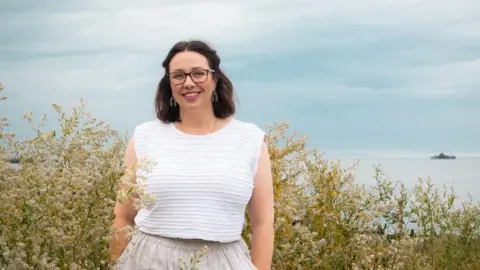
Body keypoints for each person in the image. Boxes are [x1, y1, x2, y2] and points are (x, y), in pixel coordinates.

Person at [110, 40, 274, 270]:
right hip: (149, 260)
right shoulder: (145, 135)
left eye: (198, 73)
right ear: (169, 83)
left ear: (215, 79)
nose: (188, 83)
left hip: (225, 261)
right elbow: (123, 216)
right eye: (178, 76)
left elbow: (263, 222)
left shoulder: (250, 139)